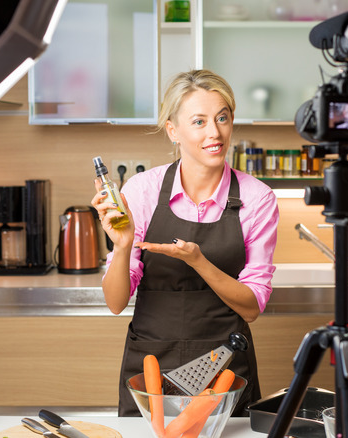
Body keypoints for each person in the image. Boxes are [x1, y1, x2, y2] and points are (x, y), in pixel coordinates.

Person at [91, 69, 279, 416]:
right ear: (173, 131)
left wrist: (198, 261)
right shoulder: (142, 191)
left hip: (226, 366)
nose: (214, 132)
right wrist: (123, 245)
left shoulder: (257, 198)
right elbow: (116, 303)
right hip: (150, 365)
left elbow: (251, 308)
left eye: (222, 118)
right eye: (199, 122)